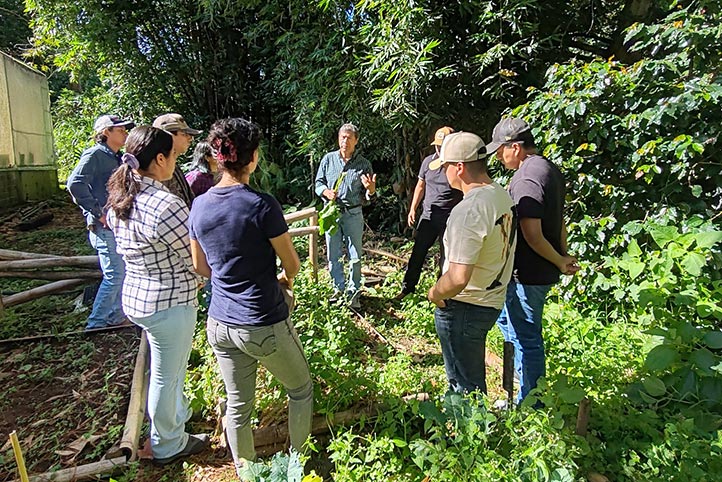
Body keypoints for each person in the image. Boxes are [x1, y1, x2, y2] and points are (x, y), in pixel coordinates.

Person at [189, 118, 313, 476]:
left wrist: (231, 275)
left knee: (238, 405)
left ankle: (247, 473)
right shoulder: (262, 205)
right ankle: (297, 468)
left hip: (219, 322)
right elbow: (292, 264)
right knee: (301, 390)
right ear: (253, 158)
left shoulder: (199, 206)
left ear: (218, 157)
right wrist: (282, 279)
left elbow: (200, 266)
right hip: (260, 321)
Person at [105, 126, 209, 465]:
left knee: (167, 368)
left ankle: (178, 415)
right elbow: (194, 256)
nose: (176, 163)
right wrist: (206, 277)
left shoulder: (121, 197)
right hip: (169, 302)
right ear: (160, 159)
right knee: (167, 374)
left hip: (138, 296)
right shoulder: (166, 204)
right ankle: (168, 443)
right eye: (174, 156)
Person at [487, 118, 579, 404]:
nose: (498, 158)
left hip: (527, 273)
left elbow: (532, 234)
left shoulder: (526, 178)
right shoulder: (549, 169)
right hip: (538, 270)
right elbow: (559, 220)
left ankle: (532, 403)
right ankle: (520, 391)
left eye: (500, 151)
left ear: (515, 147)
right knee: (512, 328)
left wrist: (560, 261)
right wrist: (562, 255)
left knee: (527, 339)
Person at [427, 132, 516, 395]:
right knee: (471, 381)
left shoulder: (469, 210)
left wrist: (435, 293)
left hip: (464, 306)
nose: (443, 172)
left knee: (464, 387)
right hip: (490, 301)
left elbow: (457, 278)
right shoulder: (499, 195)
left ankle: (468, 422)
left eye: (445, 166)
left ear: (459, 167)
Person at [67, 115, 134, 330]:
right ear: (106, 132)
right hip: (103, 226)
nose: (125, 133)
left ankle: (115, 317)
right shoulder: (95, 154)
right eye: (120, 130)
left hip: (116, 224)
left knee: (121, 272)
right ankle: (96, 323)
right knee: (114, 274)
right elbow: (75, 183)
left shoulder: (117, 157)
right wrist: (98, 213)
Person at [314, 123, 376, 309]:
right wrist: (326, 192)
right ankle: (338, 290)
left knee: (355, 255)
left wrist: (371, 190)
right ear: (338, 139)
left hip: (353, 213)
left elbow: (369, 195)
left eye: (349, 138)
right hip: (331, 213)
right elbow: (318, 183)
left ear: (356, 141)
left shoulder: (363, 164)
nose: (345, 141)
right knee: (333, 254)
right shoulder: (328, 159)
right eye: (342, 137)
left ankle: (354, 292)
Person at [396, 126, 462, 300]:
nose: (439, 149)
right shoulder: (428, 162)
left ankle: (443, 293)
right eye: (437, 145)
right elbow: (420, 186)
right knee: (418, 252)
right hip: (429, 215)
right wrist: (413, 208)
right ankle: (407, 289)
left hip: (450, 217)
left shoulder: (458, 166)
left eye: (443, 145)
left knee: (447, 256)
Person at [152, 113, 202, 208]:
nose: (190, 139)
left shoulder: (173, 164)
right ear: (168, 136)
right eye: (184, 134)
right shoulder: (158, 169)